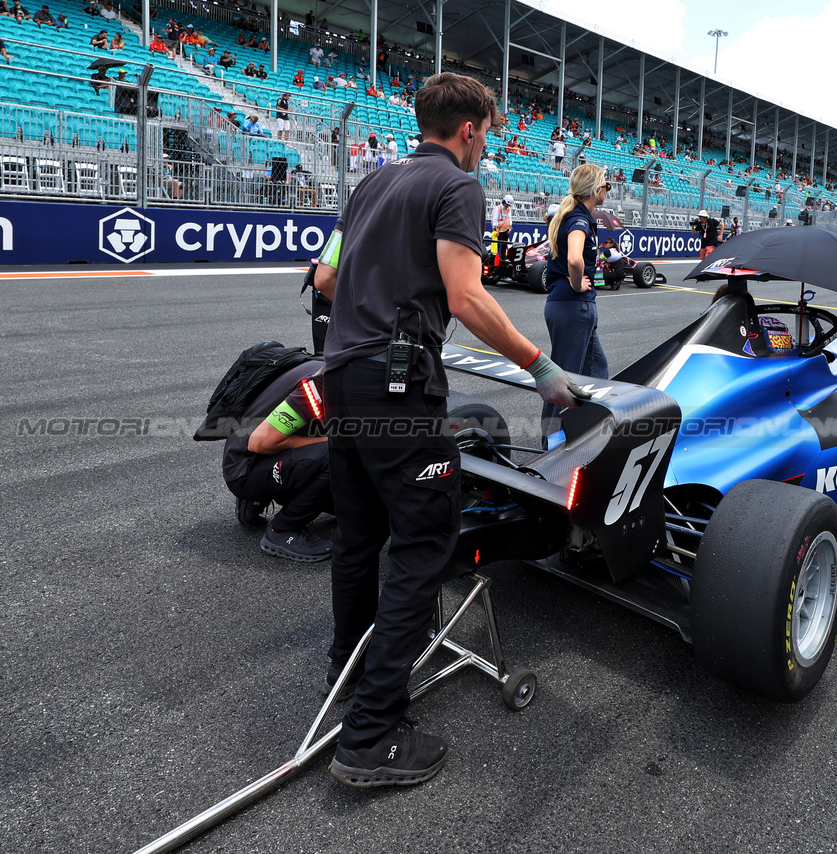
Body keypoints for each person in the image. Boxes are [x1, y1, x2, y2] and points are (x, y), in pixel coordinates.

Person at [316, 72, 586, 790]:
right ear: (469, 130)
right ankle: (370, 735)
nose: (487, 144)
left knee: (357, 535)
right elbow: (465, 296)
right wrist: (540, 366)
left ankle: (350, 670)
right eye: (488, 132)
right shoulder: (457, 188)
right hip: (398, 386)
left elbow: (325, 281)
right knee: (425, 545)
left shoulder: (372, 183)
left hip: (340, 373)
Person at [222, 358, 334, 562]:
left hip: (247, 456)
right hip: (246, 466)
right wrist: (325, 440)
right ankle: (284, 530)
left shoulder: (327, 362)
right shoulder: (321, 382)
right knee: (336, 454)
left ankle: (255, 499)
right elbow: (260, 443)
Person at [541, 163, 610, 444]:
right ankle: (550, 446)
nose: (607, 189)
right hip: (573, 305)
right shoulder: (579, 219)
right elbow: (574, 259)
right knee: (564, 381)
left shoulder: (572, 215)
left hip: (570, 307)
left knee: (597, 373)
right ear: (596, 190)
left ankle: (586, 436)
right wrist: (576, 281)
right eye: (606, 184)